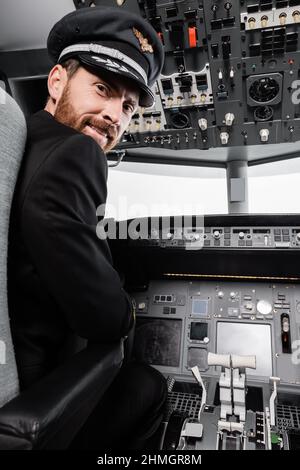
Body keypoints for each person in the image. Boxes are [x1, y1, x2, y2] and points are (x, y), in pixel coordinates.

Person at [7, 6, 167, 449]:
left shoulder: (27, 142)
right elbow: (104, 319)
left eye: (128, 106)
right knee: (149, 386)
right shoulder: (79, 151)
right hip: (39, 387)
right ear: (57, 81)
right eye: (102, 88)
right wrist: (126, 309)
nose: (115, 115)